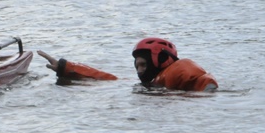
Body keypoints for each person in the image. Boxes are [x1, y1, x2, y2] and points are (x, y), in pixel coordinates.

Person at [38, 37, 217, 92]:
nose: (139, 71)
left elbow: (203, 81)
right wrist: (65, 67)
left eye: (143, 65)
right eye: (136, 66)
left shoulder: (180, 69)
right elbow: (109, 79)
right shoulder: (155, 82)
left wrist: (206, 88)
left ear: (161, 60)